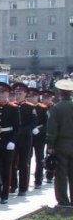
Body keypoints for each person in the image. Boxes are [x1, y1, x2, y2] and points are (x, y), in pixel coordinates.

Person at [0, 81, 19, 205]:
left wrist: (12, 141)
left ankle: (4, 194)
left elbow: (17, 127)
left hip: (7, 140)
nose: (0, 95)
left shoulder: (13, 108)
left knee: (7, 168)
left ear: (7, 94)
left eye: (3, 93)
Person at [46, 79, 73, 208]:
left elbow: (52, 128)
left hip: (61, 144)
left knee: (61, 174)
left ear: (60, 93)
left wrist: (50, 145)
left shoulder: (56, 108)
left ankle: (63, 200)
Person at [11, 81, 37, 196]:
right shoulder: (12, 106)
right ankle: (13, 185)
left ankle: (23, 187)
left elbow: (33, 122)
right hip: (13, 138)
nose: (18, 94)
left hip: (25, 138)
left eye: (20, 92)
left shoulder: (30, 107)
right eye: (16, 92)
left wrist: (24, 130)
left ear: (25, 94)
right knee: (12, 162)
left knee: (23, 163)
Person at [27, 87, 48, 188]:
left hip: (39, 137)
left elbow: (47, 123)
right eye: (29, 96)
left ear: (37, 97)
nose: (30, 98)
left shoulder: (43, 108)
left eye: (32, 96)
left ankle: (38, 180)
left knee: (39, 159)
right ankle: (25, 181)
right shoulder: (27, 107)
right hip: (29, 135)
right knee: (27, 158)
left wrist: (39, 129)